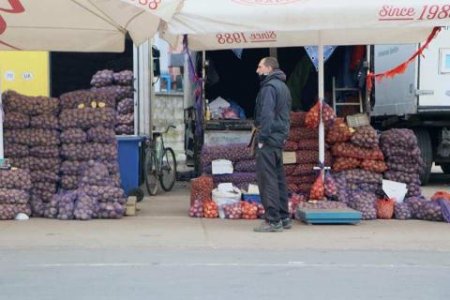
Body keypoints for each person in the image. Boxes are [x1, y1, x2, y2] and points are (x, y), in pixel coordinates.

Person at [253, 57, 292, 232]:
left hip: (269, 140)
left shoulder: (269, 88)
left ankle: (273, 221)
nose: (257, 70)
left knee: (267, 179)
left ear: (269, 68)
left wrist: (261, 138)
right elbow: (286, 115)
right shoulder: (284, 87)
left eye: (260, 67)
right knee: (278, 179)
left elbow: (266, 115)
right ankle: (284, 217)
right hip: (278, 138)